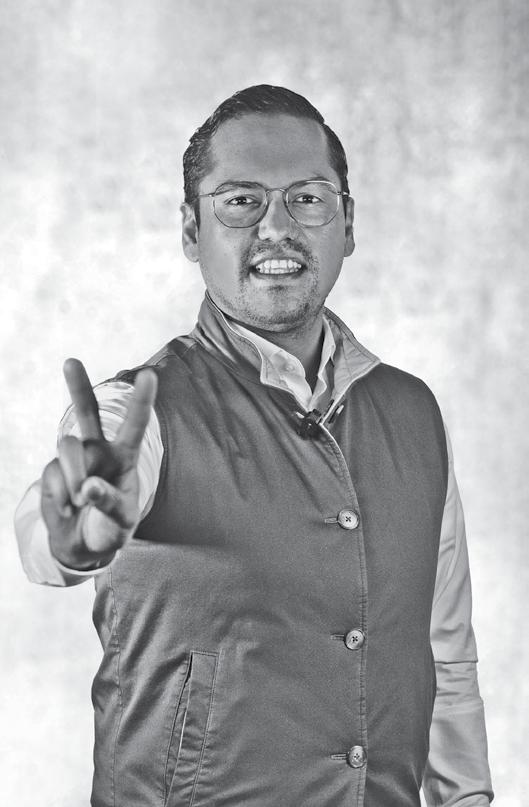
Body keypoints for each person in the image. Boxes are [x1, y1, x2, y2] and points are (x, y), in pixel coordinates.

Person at [15, 85, 494, 807]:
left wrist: (466, 797)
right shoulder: (138, 412)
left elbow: (443, 650)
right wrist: (73, 537)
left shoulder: (412, 411)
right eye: (241, 201)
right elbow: (63, 518)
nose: (277, 226)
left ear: (347, 223)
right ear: (191, 229)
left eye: (307, 198)